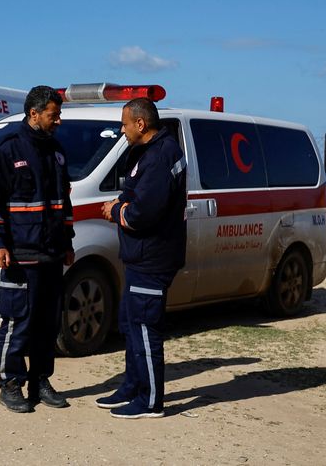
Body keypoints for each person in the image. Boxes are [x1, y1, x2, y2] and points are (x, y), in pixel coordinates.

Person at [0, 85, 75, 413]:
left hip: (51, 253)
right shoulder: (7, 149)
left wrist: (68, 242)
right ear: (34, 114)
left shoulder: (57, 151)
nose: (58, 121)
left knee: (47, 323)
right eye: (53, 115)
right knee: (18, 320)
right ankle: (10, 384)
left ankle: (40, 381)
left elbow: (65, 203)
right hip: (19, 253)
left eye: (58, 115)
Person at [99, 97, 187, 419]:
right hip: (139, 258)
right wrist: (122, 203)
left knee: (146, 328)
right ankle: (132, 386)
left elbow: (142, 213)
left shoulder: (161, 156)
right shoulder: (149, 153)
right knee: (130, 323)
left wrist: (116, 211)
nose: (121, 131)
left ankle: (150, 401)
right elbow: (136, 194)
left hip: (152, 258)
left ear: (140, 123)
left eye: (124, 124)